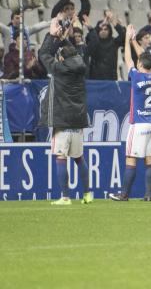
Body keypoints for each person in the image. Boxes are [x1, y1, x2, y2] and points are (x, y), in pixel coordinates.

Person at [38, 17, 92, 205]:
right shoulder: (81, 66)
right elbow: (73, 53)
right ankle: (88, 194)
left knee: (61, 157)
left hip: (62, 120)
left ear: (61, 58)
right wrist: (63, 39)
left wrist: (51, 35)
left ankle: (65, 197)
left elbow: (43, 54)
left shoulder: (58, 68)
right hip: (77, 120)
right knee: (79, 158)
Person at [110, 25, 151, 202]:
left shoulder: (137, 76)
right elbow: (146, 60)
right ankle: (148, 195)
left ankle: (124, 194)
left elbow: (127, 59)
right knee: (149, 160)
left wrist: (127, 38)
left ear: (140, 64)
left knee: (131, 158)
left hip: (138, 123)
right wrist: (134, 40)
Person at [87, 11, 126, 80]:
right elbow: (88, 38)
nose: (103, 31)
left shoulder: (114, 42)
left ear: (109, 31)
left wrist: (114, 23)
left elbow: (124, 36)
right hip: (95, 78)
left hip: (111, 77)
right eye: (101, 29)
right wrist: (99, 26)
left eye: (106, 29)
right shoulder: (94, 41)